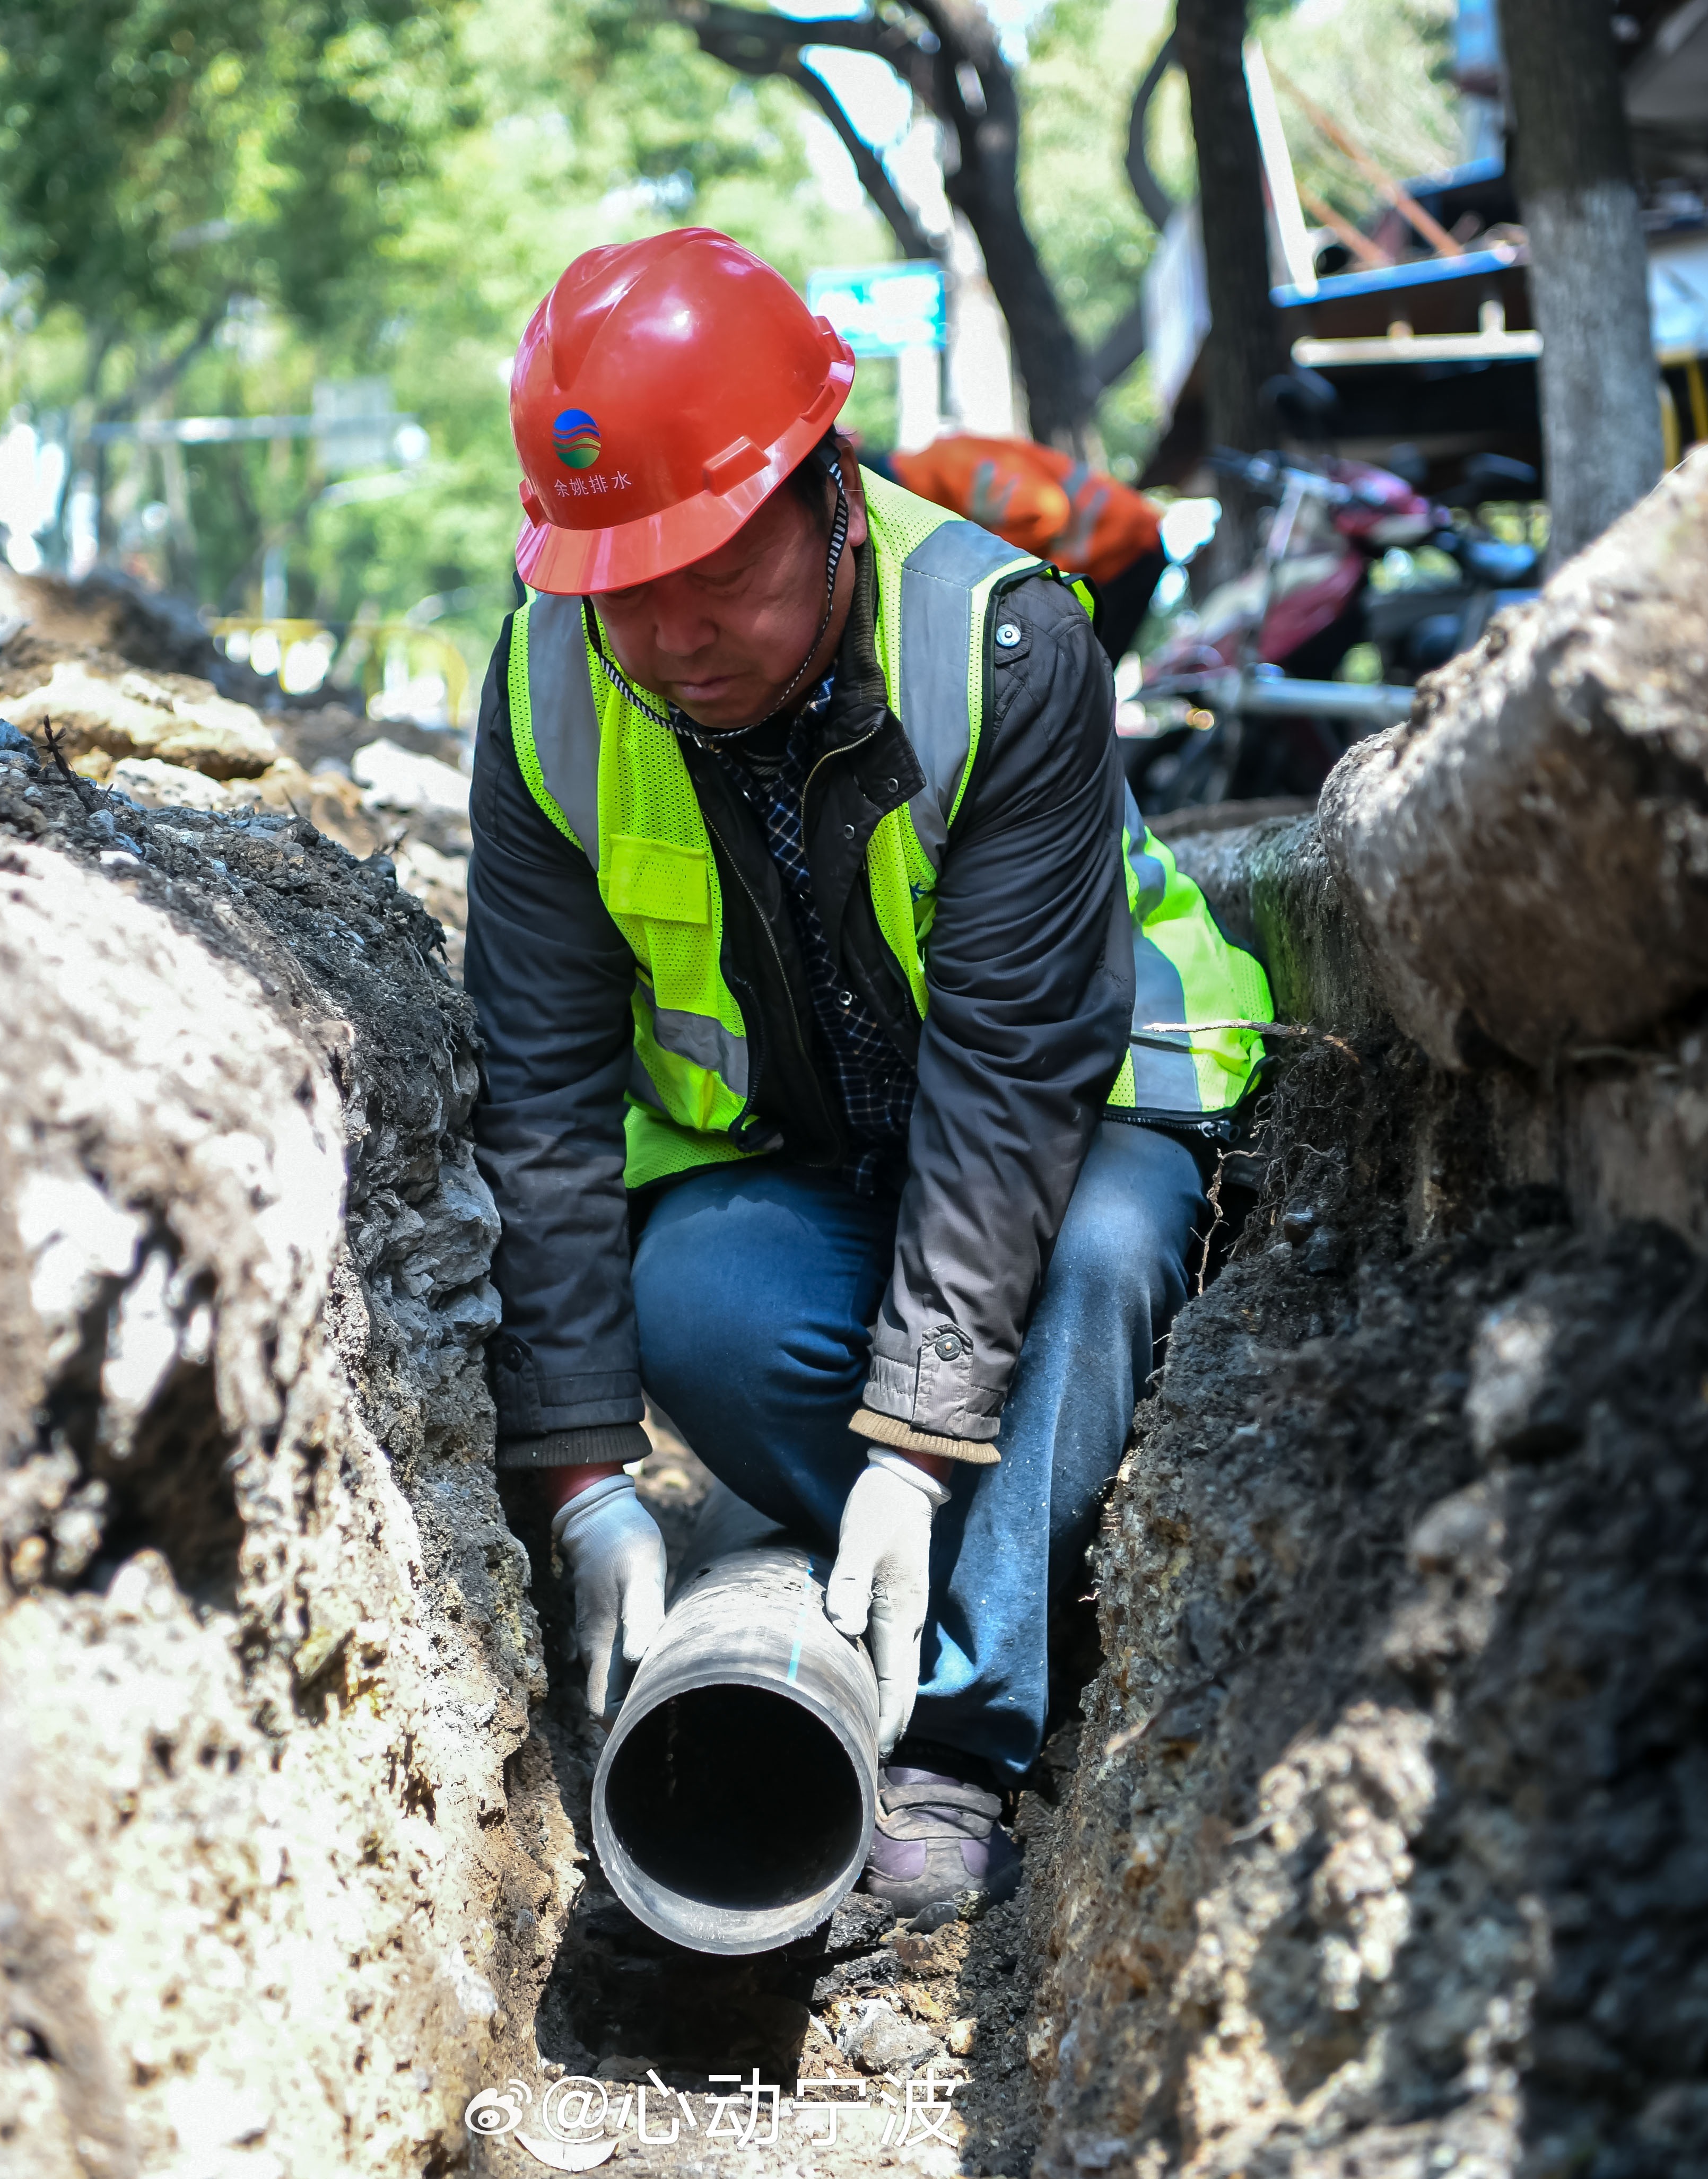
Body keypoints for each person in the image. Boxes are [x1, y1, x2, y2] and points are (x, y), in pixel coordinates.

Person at [467, 229, 1274, 1914]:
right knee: (692, 1290)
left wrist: (911, 1453)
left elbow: (1007, 1091)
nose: (676, 635)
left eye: (717, 577)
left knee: (1105, 1260)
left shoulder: (1001, 644)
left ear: (827, 496)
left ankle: (965, 1741)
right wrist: (585, 1468)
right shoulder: (546, 689)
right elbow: (539, 1095)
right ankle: (1026, 1565)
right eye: (629, 592)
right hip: (807, 1154)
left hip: (1069, 1110)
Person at [888, 432, 1171, 663]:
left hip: (1126, 548)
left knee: (1083, 681)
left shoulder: (950, 469)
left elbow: (1045, 510)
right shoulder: (940, 471)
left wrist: (998, 581)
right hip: (1118, 547)